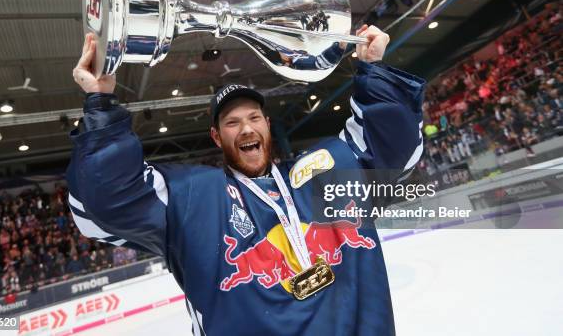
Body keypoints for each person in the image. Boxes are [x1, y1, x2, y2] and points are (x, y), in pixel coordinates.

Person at [66, 24, 425, 336]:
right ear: (217, 137)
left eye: (254, 117)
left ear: (268, 126)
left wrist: (373, 69)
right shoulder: (195, 197)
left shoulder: (321, 173)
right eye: (232, 123)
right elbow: (105, 203)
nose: (246, 128)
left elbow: (393, 149)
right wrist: (99, 103)